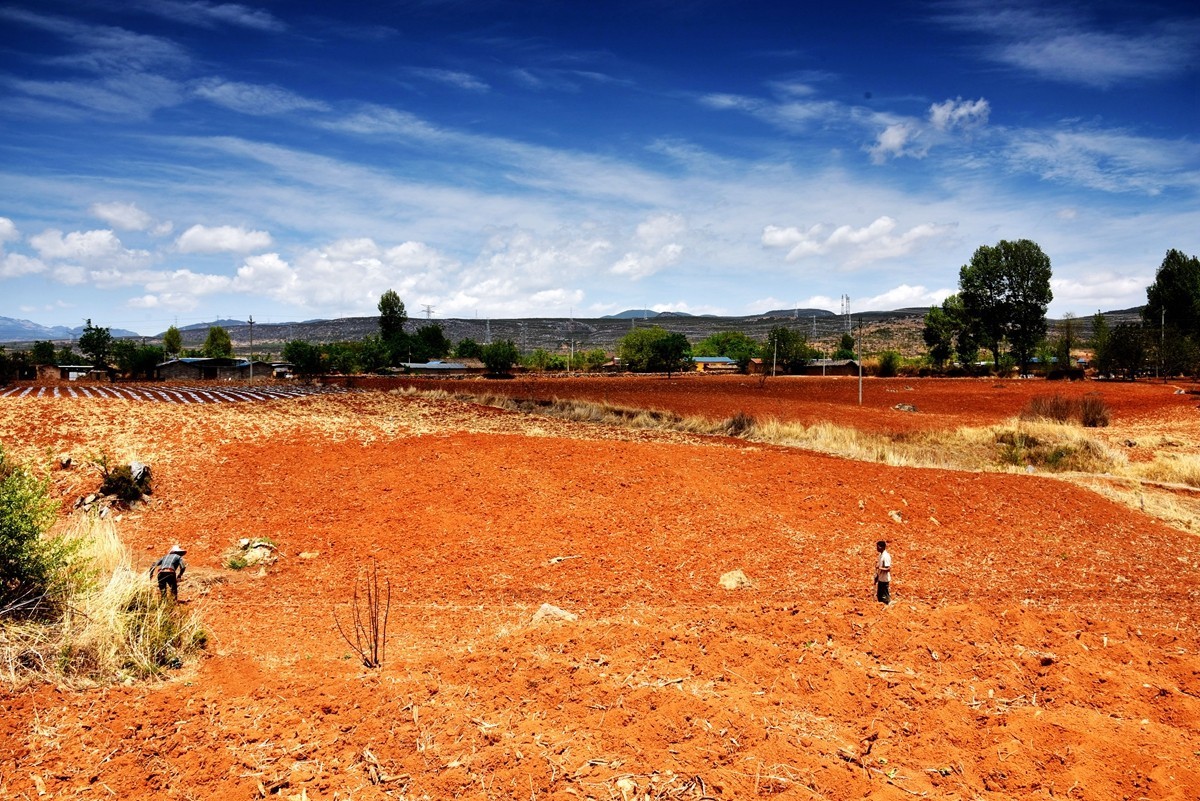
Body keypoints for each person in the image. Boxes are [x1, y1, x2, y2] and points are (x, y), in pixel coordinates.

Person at [874, 540, 891, 604]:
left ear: (882, 547)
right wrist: (877, 576)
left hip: (884, 580)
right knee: (879, 596)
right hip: (881, 579)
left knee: (885, 597)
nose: (877, 548)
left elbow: (888, 569)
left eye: (878, 547)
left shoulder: (886, 556)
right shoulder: (880, 555)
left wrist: (879, 568)